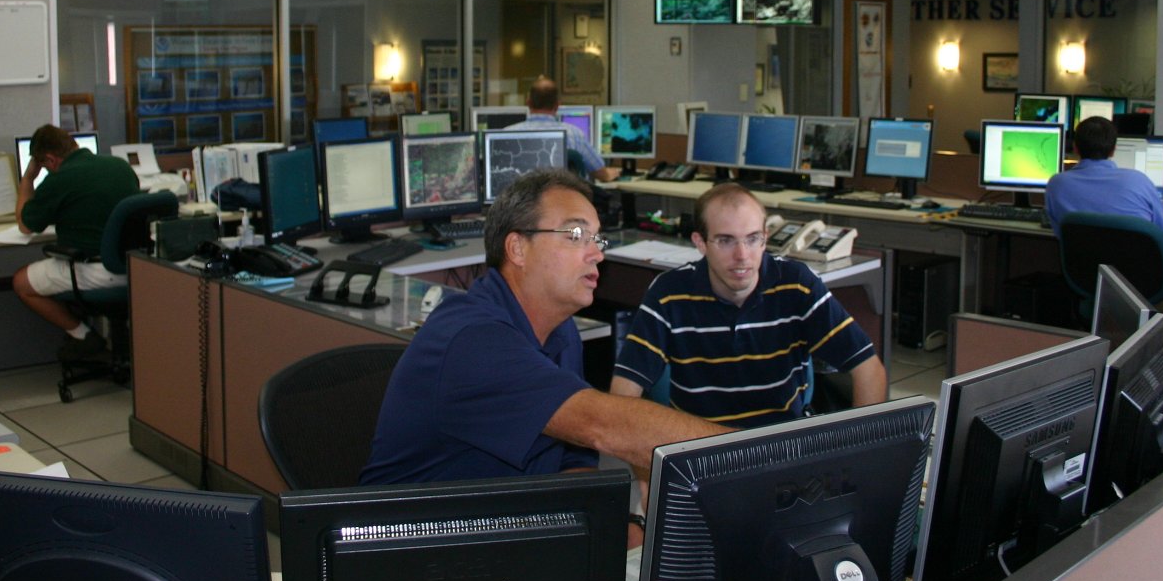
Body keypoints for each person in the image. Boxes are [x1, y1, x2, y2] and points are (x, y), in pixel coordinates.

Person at [361, 169, 726, 486]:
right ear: (518, 248)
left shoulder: (561, 329)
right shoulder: (472, 339)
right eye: (575, 236)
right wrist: (759, 455)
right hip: (415, 545)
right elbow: (601, 426)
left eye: (596, 239)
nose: (597, 253)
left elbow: (573, 458)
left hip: (506, 534)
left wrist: (604, 521)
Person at [610, 182, 887, 426]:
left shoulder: (797, 284)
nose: (742, 255)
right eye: (725, 241)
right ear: (700, 243)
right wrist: (647, 472)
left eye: (752, 239)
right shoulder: (668, 293)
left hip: (781, 444)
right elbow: (623, 391)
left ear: (765, 238)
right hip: (699, 450)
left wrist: (859, 451)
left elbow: (868, 369)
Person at [12, 125, 140, 361]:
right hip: (133, 268)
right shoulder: (120, 166)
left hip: (93, 269)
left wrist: (28, 178)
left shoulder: (59, 179)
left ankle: (83, 335)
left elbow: (25, 225)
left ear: (50, 160)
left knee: (21, 282)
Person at [1045, 115, 1163, 311]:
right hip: (1152, 286)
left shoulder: (1057, 184)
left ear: (1075, 148)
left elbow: (1062, 235)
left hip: (1094, 283)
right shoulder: (1138, 181)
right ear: (1113, 149)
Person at [505, 75, 620, 182]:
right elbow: (601, 174)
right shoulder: (574, 134)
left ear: (528, 103)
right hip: (562, 202)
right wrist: (610, 174)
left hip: (521, 202)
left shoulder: (507, 135)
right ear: (557, 105)